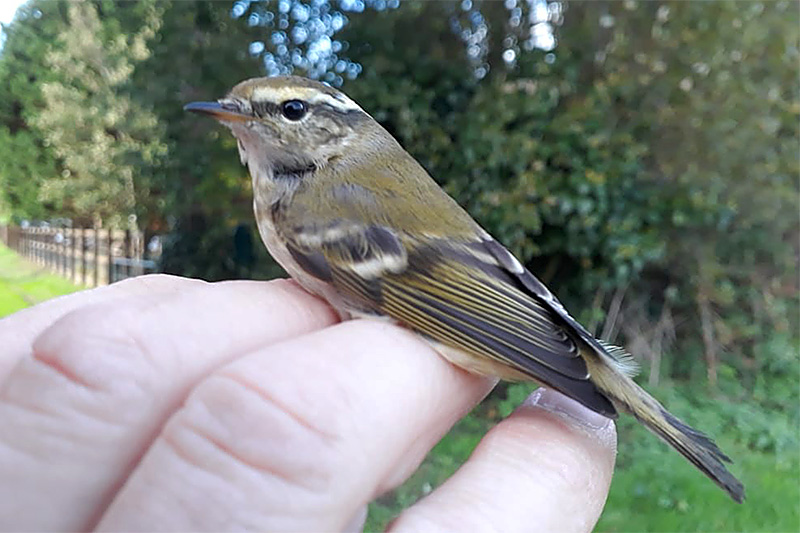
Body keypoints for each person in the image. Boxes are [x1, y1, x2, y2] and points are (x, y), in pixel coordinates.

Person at [0, 275, 616, 531]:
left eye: (288, 111)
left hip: (471, 307)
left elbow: (421, 283)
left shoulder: (312, 199)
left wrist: (549, 351)